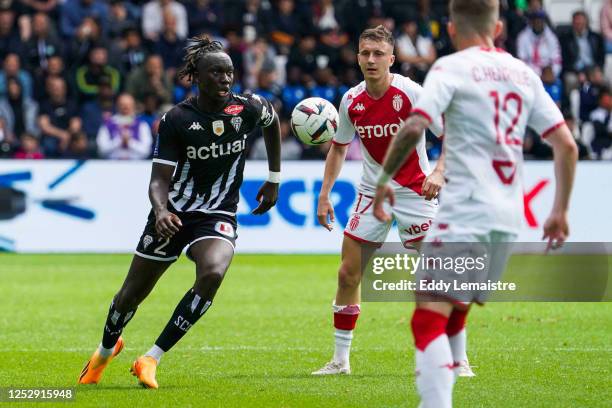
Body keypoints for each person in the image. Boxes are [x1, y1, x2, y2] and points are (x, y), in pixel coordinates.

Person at [372, 1, 578, 406]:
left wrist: (382, 180)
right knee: (454, 308)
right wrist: (560, 210)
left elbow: (415, 124)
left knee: (426, 315)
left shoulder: (450, 68)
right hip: (506, 219)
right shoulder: (523, 73)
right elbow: (566, 146)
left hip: (464, 211)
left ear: (450, 29)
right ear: (499, 26)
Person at [78, 34, 281, 389]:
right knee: (129, 297)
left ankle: (150, 358)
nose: (225, 79)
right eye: (216, 73)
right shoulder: (177, 119)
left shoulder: (247, 107)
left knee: (213, 273)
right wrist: (160, 211)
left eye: (229, 72)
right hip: (172, 215)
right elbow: (158, 180)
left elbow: (272, 121)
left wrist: (274, 179)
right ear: (197, 77)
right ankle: (105, 351)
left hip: (218, 213)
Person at [310, 25, 470, 376]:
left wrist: (439, 173)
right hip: (372, 192)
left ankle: (457, 358)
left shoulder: (411, 93)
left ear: (391, 59)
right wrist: (324, 195)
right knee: (347, 273)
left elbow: (452, 134)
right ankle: (340, 361)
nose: (371, 59)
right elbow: (338, 149)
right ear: (357, 57)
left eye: (378, 54)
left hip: (416, 190)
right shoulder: (351, 100)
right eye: (365, 53)